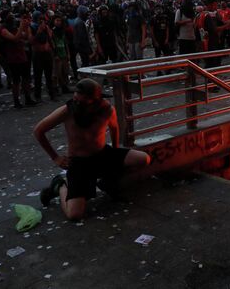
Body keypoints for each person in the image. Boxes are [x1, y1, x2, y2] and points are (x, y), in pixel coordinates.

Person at [34, 78, 150, 220]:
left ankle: (108, 182)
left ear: (95, 101)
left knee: (143, 159)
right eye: (75, 99)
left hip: (102, 154)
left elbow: (114, 128)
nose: (77, 104)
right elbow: (39, 131)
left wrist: (115, 151)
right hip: (79, 162)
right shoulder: (67, 110)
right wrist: (55, 157)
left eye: (82, 102)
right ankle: (61, 185)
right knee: (75, 215)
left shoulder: (106, 109)